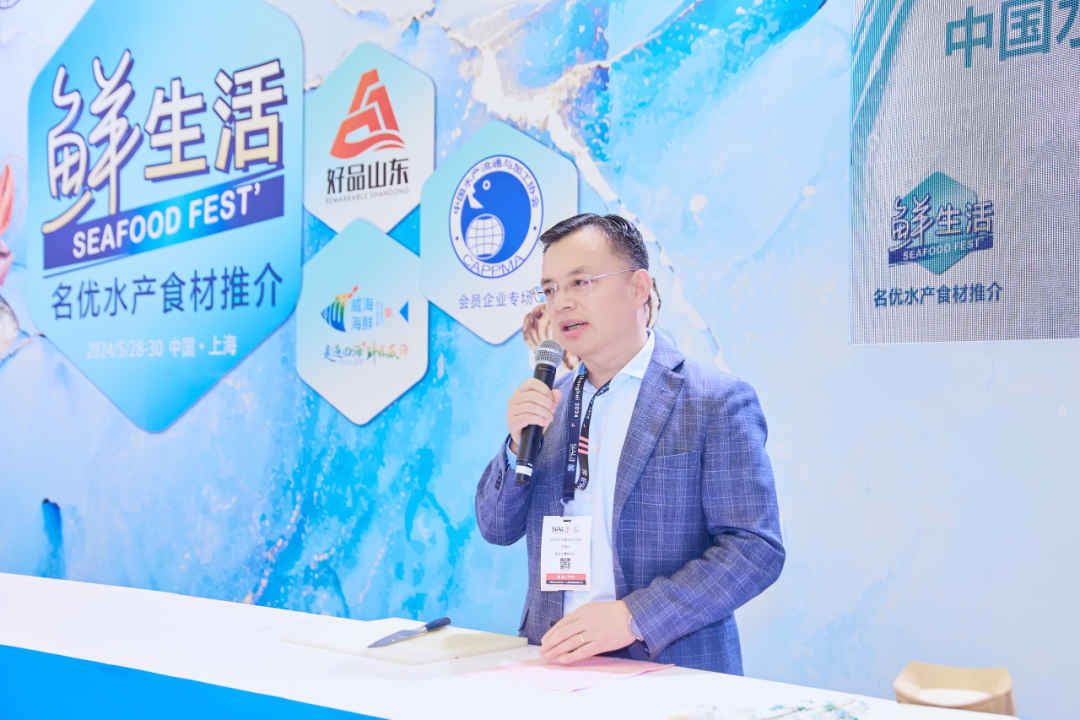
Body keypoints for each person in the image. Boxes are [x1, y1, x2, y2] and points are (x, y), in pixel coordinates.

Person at [474, 213, 784, 675]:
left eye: (580, 282)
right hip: (555, 666)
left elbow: (755, 549)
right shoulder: (549, 401)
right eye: (550, 289)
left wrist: (634, 617)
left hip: (674, 672)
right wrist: (517, 444)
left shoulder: (714, 401)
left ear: (638, 288)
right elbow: (496, 527)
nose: (561, 303)